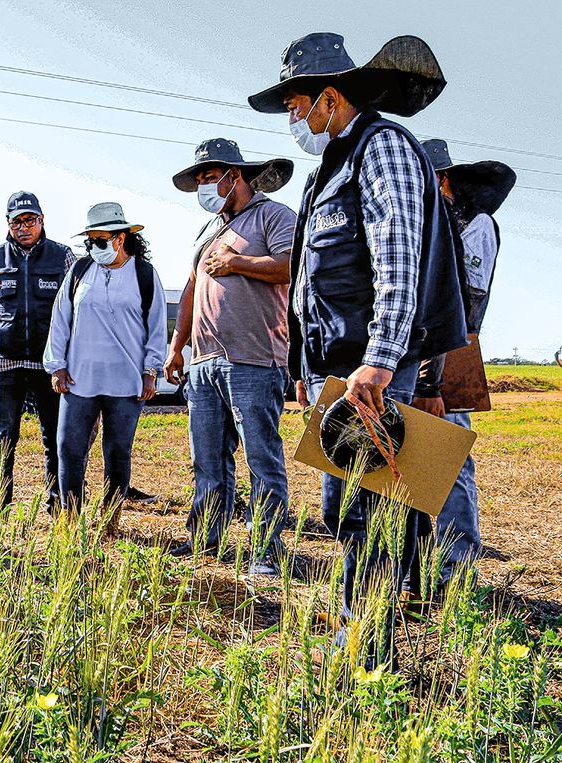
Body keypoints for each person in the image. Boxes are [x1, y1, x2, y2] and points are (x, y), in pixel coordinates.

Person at [249, 33, 467, 664]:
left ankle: (366, 649)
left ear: (330, 98)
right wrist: (307, 367)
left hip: (377, 368)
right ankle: (363, 626)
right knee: (347, 504)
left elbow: (396, 260)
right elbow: (314, 279)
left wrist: (381, 357)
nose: (293, 118)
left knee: (375, 508)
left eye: (296, 105)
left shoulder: (383, 149)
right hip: (344, 370)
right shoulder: (332, 167)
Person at [165, 139, 297, 574]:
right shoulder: (209, 232)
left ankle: (266, 549)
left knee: (261, 456)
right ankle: (205, 539)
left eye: (209, 177)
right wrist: (176, 345)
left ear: (234, 176)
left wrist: (238, 262)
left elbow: (292, 266)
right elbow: (190, 291)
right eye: (199, 179)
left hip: (254, 359)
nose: (204, 186)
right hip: (203, 362)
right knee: (207, 457)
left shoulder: (273, 215)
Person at [413, 138, 516, 586]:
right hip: (410, 350)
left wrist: (433, 374)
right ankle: (411, 562)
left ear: (443, 178)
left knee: (447, 456)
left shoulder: (475, 225)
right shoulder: (422, 223)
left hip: (452, 347)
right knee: (406, 454)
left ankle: (456, 565)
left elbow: (465, 297)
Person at [44, 202, 167, 513]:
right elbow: (60, 318)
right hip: (78, 379)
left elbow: (156, 326)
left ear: (120, 238)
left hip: (126, 383)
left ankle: (110, 519)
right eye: (90, 241)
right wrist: (56, 365)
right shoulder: (80, 271)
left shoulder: (144, 274)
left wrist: (151, 370)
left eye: (100, 241)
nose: (94, 248)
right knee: (69, 449)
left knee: (117, 452)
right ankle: (69, 518)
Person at [0, 191, 75, 510]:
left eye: (29, 220)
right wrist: (5, 335)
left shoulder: (62, 256)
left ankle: (58, 504)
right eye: (16, 221)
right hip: (7, 366)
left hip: (50, 367)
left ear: (41, 220)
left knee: (55, 439)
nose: (23, 227)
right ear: (7, 224)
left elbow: (74, 307)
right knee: (3, 437)